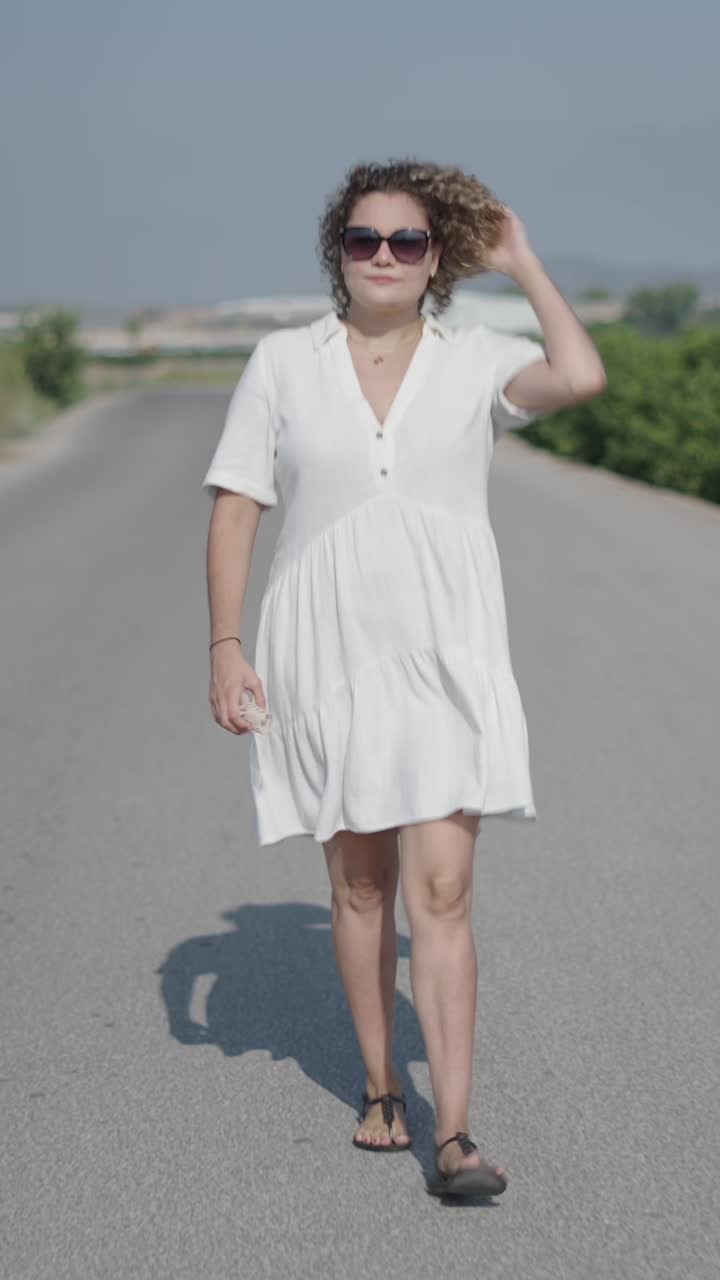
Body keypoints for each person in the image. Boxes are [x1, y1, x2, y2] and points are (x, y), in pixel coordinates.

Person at [202, 159, 607, 1199]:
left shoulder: (477, 360)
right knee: (361, 882)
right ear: (339, 253)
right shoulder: (285, 362)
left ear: (438, 260)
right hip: (324, 654)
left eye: (409, 240)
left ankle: (457, 1132)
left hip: (447, 654)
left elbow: (580, 376)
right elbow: (239, 505)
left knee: (444, 887)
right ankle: (384, 1085)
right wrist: (225, 644)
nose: (385, 255)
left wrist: (520, 256)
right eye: (364, 239)